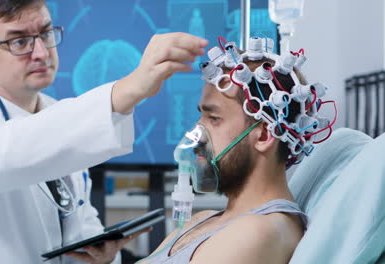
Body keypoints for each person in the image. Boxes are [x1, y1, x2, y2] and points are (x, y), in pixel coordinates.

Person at [0, 0, 208, 263]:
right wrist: (125, 90)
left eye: (45, 33)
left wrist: (100, 254)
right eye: (19, 42)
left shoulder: (55, 113)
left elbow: (74, 219)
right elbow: (9, 151)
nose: (42, 53)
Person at [140, 37, 336, 264]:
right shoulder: (202, 220)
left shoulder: (260, 231)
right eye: (201, 116)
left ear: (263, 135)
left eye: (214, 118)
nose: (196, 130)